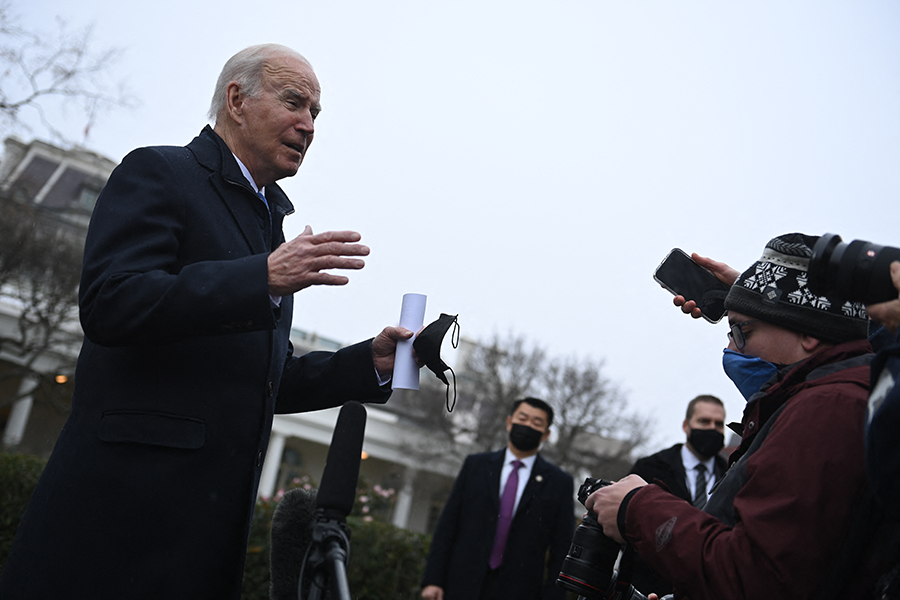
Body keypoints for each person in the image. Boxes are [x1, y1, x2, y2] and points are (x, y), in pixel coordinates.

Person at [0, 44, 415, 599]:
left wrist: (368, 361)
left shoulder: (268, 222)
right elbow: (110, 302)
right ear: (237, 99)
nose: (309, 125)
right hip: (116, 527)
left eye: (317, 113)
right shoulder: (160, 172)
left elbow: (261, 377)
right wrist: (259, 278)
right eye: (296, 103)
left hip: (202, 543)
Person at [586, 233, 878, 599]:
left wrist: (636, 507)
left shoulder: (827, 410)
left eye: (742, 330)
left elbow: (757, 578)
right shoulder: (834, 395)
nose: (730, 346)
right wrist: (754, 296)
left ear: (809, 334)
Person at [420, 397, 575, 600]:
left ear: (546, 434)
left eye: (536, 423)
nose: (528, 425)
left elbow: (562, 550)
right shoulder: (476, 466)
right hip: (461, 584)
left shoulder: (559, 483)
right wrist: (433, 579)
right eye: (523, 418)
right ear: (509, 422)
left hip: (519, 591)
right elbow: (448, 526)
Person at [627, 394, 727, 595]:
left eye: (719, 424)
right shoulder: (650, 468)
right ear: (686, 425)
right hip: (650, 589)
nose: (712, 429)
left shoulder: (733, 475)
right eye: (704, 421)